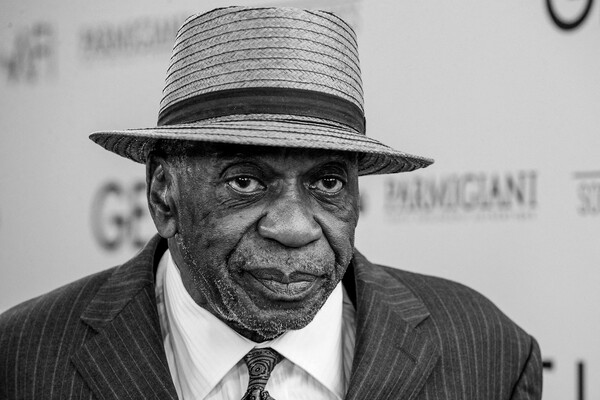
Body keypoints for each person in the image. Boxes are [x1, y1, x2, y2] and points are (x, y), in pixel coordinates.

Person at [0, 6, 542, 400]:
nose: (294, 227)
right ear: (164, 195)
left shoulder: (488, 355)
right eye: (245, 182)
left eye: (327, 182)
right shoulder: (21, 359)